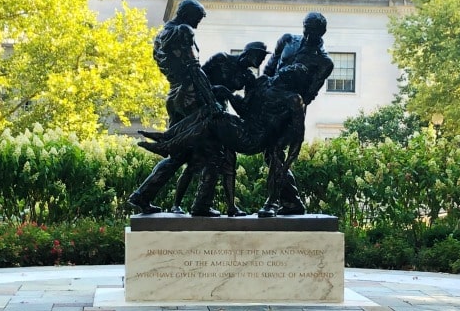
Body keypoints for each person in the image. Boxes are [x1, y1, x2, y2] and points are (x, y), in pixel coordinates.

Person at [138, 62, 310, 218]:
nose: (288, 70)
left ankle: (167, 144)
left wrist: (287, 162)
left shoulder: (293, 99)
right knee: (211, 112)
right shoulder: (264, 83)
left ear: (293, 80)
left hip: (253, 140)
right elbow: (243, 109)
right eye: (290, 68)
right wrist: (228, 93)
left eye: (294, 72)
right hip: (243, 127)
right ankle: (167, 137)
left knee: (214, 118)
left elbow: (298, 136)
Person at [127, 0, 223, 216]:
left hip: (174, 96)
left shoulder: (161, 35)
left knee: (177, 154)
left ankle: (143, 196)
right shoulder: (183, 31)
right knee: (215, 152)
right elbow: (194, 69)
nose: (198, 23)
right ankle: (202, 206)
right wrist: (211, 101)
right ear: (188, 14)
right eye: (198, 17)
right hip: (191, 97)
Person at [168, 41, 271, 217]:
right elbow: (198, 81)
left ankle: (231, 206)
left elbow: (245, 108)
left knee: (229, 159)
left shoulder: (248, 77)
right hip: (203, 111)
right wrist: (218, 91)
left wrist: (232, 96)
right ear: (250, 53)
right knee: (194, 161)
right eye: (260, 56)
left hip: (222, 115)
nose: (261, 61)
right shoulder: (221, 59)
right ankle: (176, 204)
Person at [260, 12, 334, 215]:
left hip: (292, 107)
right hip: (269, 100)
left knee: (275, 152)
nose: (308, 36)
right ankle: (292, 201)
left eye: (314, 32)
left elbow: (309, 94)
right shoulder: (287, 40)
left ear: (322, 33)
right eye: (306, 30)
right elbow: (269, 67)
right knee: (269, 153)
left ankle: (273, 202)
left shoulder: (324, 62)